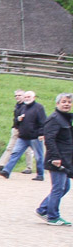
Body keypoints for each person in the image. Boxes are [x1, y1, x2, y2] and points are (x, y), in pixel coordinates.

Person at [36, 93, 73, 226]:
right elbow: (49, 140)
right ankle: (53, 216)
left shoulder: (65, 119)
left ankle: (43, 209)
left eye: (69, 102)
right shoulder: (55, 119)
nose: (66, 104)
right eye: (63, 101)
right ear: (57, 104)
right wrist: (55, 157)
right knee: (58, 188)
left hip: (65, 159)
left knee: (65, 187)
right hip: (57, 159)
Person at [0, 91, 46, 180]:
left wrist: (41, 133)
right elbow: (16, 121)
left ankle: (40, 175)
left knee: (39, 156)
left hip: (35, 137)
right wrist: (18, 119)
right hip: (23, 137)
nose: (27, 98)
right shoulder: (23, 107)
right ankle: (6, 171)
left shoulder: (39, 108)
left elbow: (43, 122)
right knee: (15, 153)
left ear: (34, 97)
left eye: (29, 97)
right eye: (26, 97)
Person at [0, 90, 34, 173]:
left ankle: (29, 168)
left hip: (25, 130)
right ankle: (1, 164)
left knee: (28, 150)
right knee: (10, 147)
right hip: (16, 129)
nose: (17, 97)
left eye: (20, 95)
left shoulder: (26, 107)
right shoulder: (17, 106)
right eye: (16, 95)